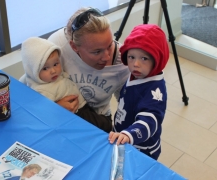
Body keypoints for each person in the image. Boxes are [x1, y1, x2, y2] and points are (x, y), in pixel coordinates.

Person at [48, 7, 129, 132]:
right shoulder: (57, 45)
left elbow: (128, 108)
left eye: (109, 45)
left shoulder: (124, 61)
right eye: (97, 52)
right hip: (60, 113)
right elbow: (37, 82)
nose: (106, 56)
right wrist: (54, 108)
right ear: (74, 47)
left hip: (98, 119)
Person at [20, 37, 112, 133]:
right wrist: (56, 107)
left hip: (83, 104)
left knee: (98, 121)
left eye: (56, 64)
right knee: (105, 125)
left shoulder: (50, 77)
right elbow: (44, 113)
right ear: (33, 72)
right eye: (45, 68)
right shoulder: (42, 90)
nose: (53, 71)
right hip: (77, 112)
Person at [108, 24, 169, 160]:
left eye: (144, 58)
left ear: (157, 60)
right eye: (131, 57)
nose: (136, 64)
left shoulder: (155, 92)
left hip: (141, 148)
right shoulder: (138, 74)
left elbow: (150, 121)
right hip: (123, 136)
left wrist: (129, 135)